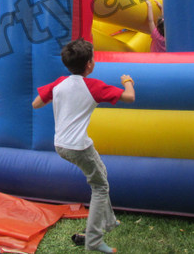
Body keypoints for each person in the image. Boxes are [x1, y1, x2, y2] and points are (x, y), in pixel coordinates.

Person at [32, 39, 136, 253]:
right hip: (78, 147)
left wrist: (58, 98)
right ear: (89, 64)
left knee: (101, 173)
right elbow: (130, 97)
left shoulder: (60, 83)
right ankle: (94, 240)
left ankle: (109, 220)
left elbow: (36, 103)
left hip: (61, 145)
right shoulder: (94, 86)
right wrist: (128, 82)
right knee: (100, 187)